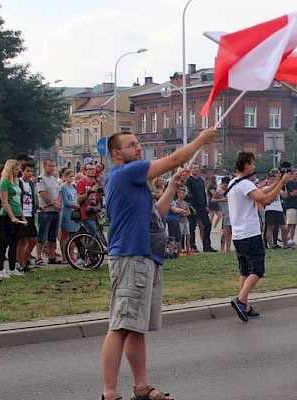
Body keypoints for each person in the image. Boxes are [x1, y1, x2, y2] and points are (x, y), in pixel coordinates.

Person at [100, 127, 214, 400]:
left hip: (144, 257)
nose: (138, 148)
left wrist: (173, 185)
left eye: (139, 144)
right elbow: (175, 159)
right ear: (117, 154)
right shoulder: (125, 172)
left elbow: (157, 215)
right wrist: (201, 140)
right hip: (130, 257)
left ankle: (142, 387)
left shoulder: (135, 182)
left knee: (136, 327)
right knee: (120, 326)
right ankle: (109, 393)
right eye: (131, 146)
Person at [226, 152, 293, 322]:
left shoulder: (235, 182)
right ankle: (240, 300)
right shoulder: (245, 184)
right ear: (247, 165)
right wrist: (282, 184)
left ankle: (245, 306)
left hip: (239, 234)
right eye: (253, 164)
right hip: (250, 233)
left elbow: (261, 191)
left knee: (245, 270)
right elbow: (266, 199)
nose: (255, 167)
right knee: (257, 270)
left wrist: (278, 182)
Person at [0, 160, 24, 278]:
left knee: (14, 243)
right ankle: (0, 269)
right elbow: (4, 201)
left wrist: (22, 216)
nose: (18, 171)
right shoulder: (4, 183)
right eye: (15, 169)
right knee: (4, 242)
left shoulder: (16, 182)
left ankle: (12, 268)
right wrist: (12, 216)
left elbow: (18, 200)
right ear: (10, 170)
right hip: (6, 217)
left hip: (17, 215)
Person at [35, 159, 62, 265]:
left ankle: (52, 256)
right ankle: (38, 257)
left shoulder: (54, 179)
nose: (52, 168)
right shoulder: (41, 179)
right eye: (50, 166)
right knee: (42, 234)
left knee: (52, 234)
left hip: (55, 210)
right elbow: (43, 193)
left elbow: (59, 192)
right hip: (45, 210)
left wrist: (58, 202)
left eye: (53, 166)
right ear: (44, 166)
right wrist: (53, 203)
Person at [185, 163, 216, 252]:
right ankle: (192, 245)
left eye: (197, 168)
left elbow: (203, 193)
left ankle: (206, 246)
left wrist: (206, 205)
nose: (196, 169)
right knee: (192, 227)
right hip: (193, 206)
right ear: (191, 169)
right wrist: (191, 207)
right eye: (194, 168)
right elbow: (188, 194)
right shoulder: (189, 181)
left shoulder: (201, 180)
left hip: (202, 206)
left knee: (207, 224)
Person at [16, 162, 38, 272]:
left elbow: (34, 197)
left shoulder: (30, 184)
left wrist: (37, 206)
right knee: (22, 241)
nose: (30, 173)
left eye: (31, 171)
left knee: (33, 240)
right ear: (22, 171)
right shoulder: (18, 183)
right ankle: (20, 264)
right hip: (21, 214)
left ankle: (24, 261)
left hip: (30, 214)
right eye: (27, 171)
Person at [59, 168, 80, 265]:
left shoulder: (73, 186)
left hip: (74, 213)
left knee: (73, 235)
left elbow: (76, 197)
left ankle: (72, 255)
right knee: (65, 236)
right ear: (65, 177)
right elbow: (66, 201)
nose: (71, 178)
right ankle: (64, 256)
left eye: (72, 176)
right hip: (67, 213)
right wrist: (77, 206)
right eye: (69, 176)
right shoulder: (63, 187)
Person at [262, 172, 287, 249]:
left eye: (274, 179)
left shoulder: (278, 188)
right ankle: (271, 244)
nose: (272, 181)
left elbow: (284, 195)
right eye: (271, 179)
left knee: (284, 228)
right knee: (270, 227)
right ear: (268, 180)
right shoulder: (266, 188)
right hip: (270, 209)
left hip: (278, 209)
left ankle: (285, 244)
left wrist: (283, 184)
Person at [76, 161, 101, 234]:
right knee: (95, 236)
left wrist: (99, 193)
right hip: (85, 212)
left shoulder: (95, 183)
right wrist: (89, 191)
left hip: (94, 212)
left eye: (94, 169)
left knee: (96, 237)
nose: (93, 171)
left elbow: (96, 201)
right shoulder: (81, 182)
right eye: (90, 169)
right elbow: (79, 198)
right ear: (84, 171)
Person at [283, 170, 297, 247]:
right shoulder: (289, 184)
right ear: (291, 175)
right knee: (290, 223)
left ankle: (291, 239)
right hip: (290, 205)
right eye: (295, 174)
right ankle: (285, 238)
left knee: (294, 224)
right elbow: (292, 193)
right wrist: (296, 193)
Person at [212, 177, 232, 252]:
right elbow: (212, 200)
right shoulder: (219, 191)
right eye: (225, 185)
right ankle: (223, 248)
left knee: (229, 231)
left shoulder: (229, 190)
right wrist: (222, 200)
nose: (225, 187)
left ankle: (228, 247)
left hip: (230, 211)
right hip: (225, 212)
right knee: (226, 231)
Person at [175, 188, 192, 256]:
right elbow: (179, 212)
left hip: (186, 221)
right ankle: (180, 249)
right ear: (178, 194)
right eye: (182, 194)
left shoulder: (186, 203)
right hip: (180, 221)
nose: (183, 195)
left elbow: (188, 212)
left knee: (188, 235)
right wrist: (184, 212)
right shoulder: (176, 203)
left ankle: (188, 249)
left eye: (184, 194)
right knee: (180, 235)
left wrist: (185, 212)